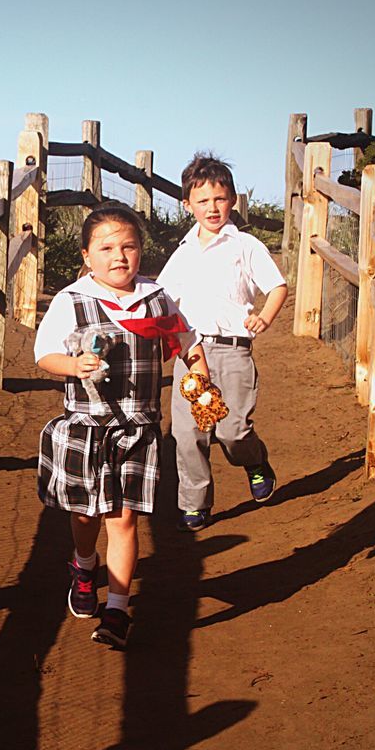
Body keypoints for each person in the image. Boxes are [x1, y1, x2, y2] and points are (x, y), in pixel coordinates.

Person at [35, 204, 208, 648]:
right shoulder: (72, 301)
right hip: (86, 427)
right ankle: (84, 562)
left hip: (138, 427)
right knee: (85, 513)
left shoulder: (156, 299)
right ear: (86, 255)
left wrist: (200, 380)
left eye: (128, 246)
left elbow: (187, 344)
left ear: (140, 251)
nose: (119, 256)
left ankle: (117, 612)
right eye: (106, 247)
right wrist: (74, 365)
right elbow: (44, 356)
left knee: (124, 519)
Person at [157, 153, 288, 532]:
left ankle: (254, 460)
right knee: (190, 433)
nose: (212, 208)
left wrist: (264, 316)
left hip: (233, 352)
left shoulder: (245, 246)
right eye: (202, 201)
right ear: (187, 205)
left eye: (219, 199)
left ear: (231, 199)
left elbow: (277, 286)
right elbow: (163, 301)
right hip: (192, 354)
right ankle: (194, 502)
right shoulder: (182, 253)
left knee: (232, 430)